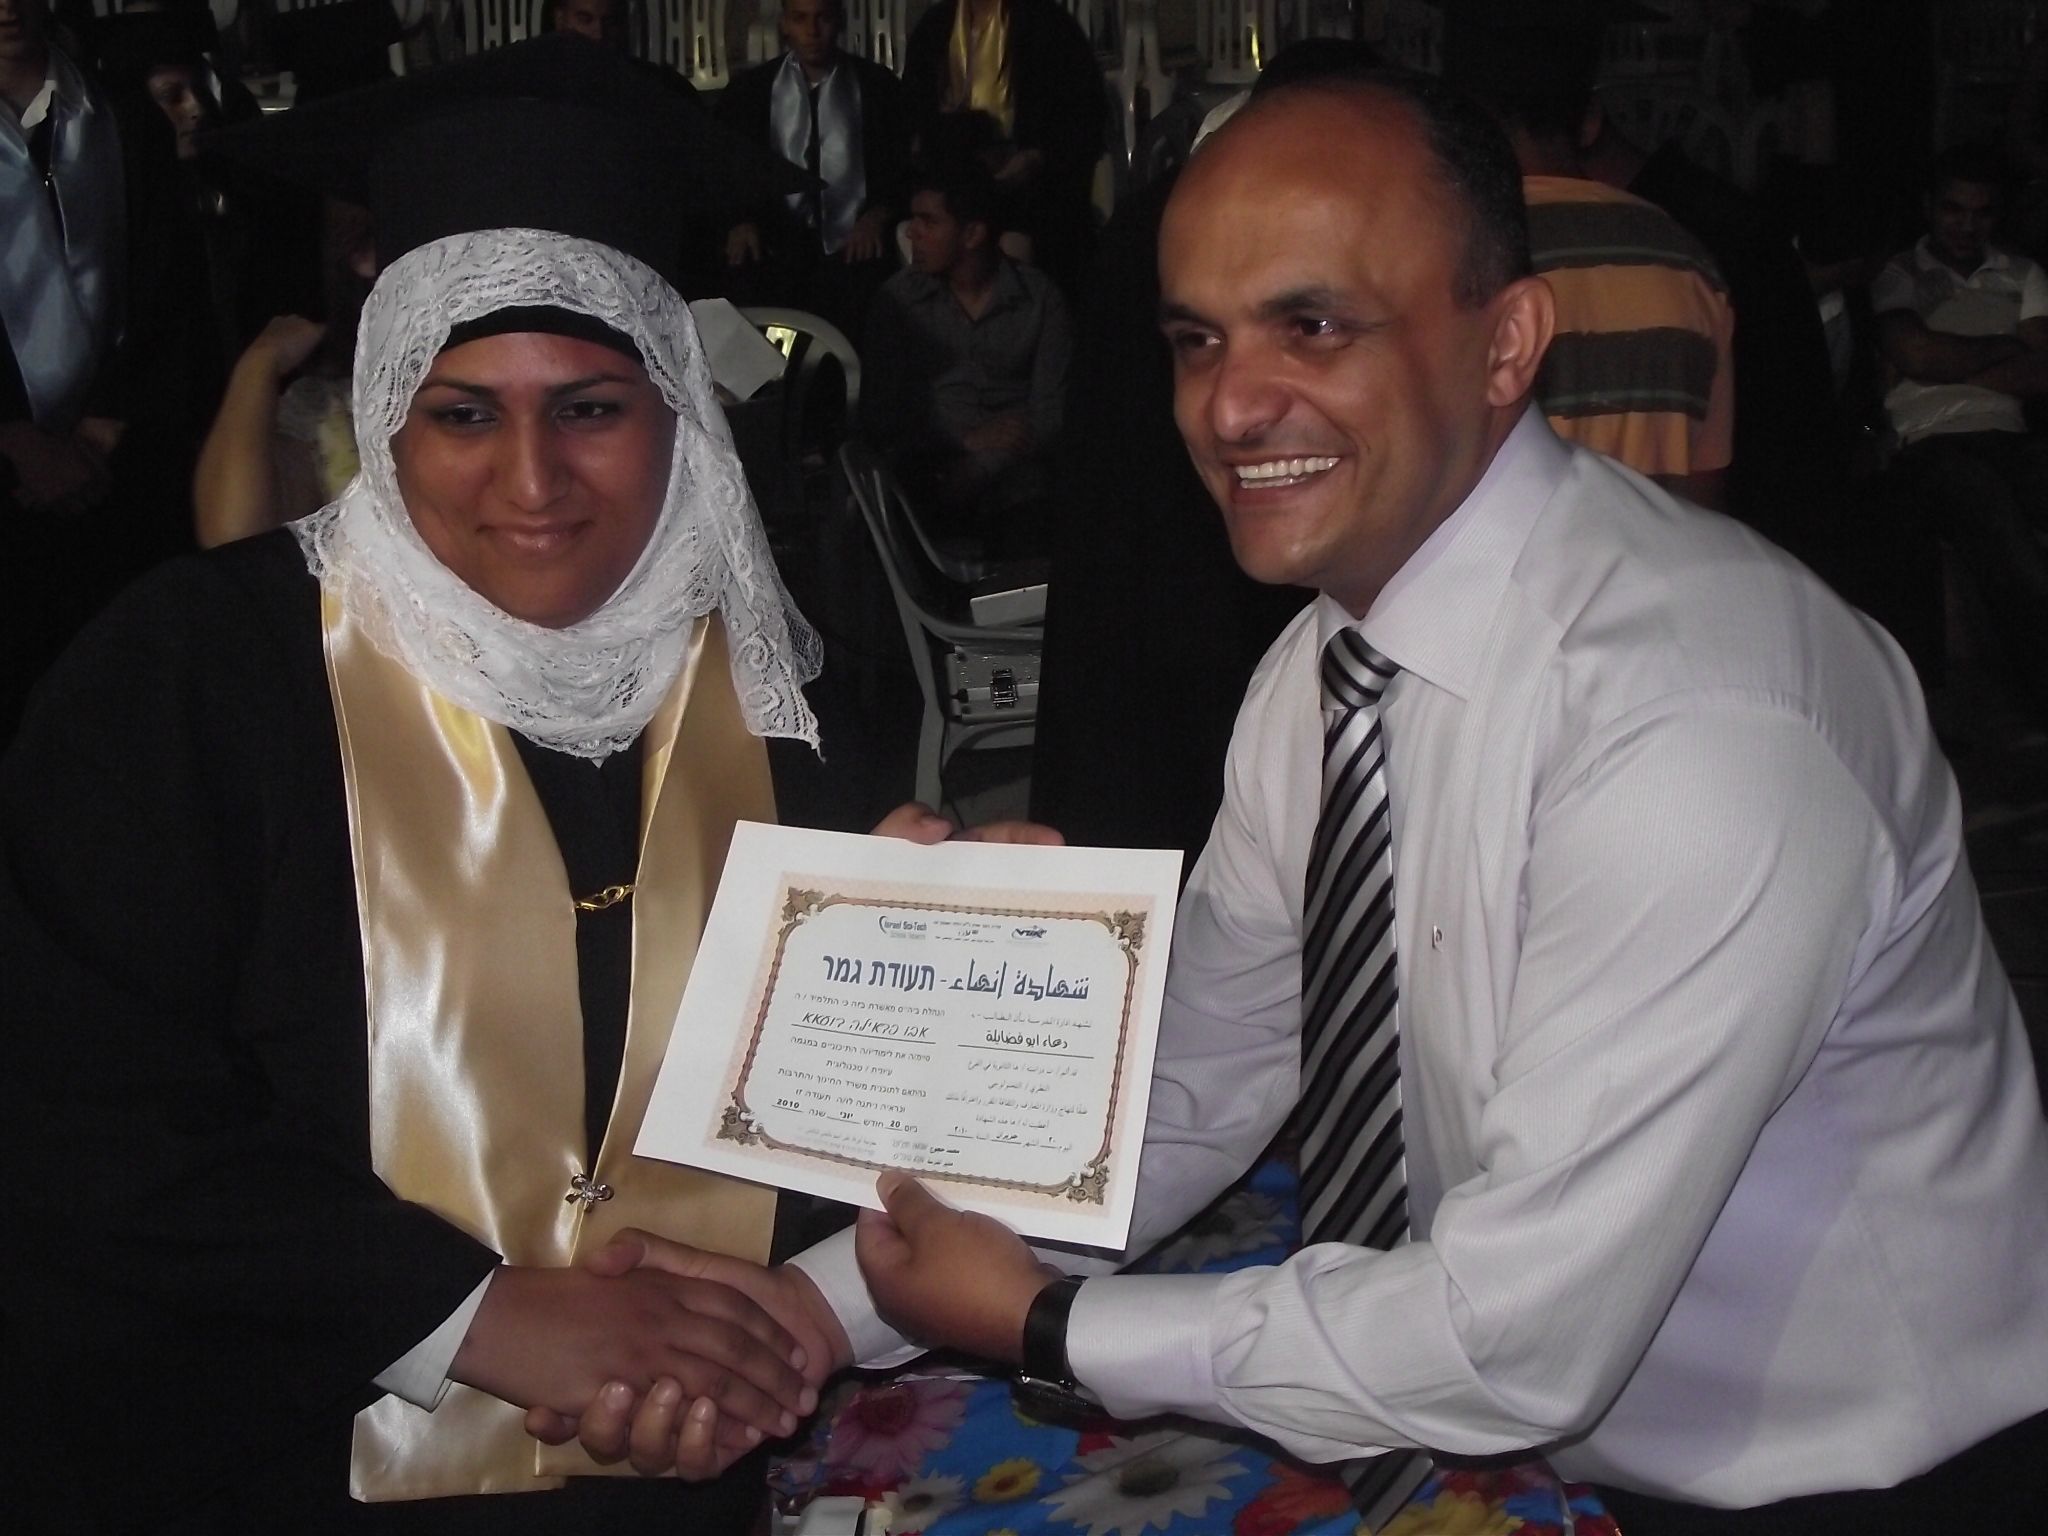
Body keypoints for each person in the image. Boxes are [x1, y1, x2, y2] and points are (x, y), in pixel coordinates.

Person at [564, 66, 2048, 1536]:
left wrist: (1052, 1328)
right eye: (1195, 338)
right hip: (1557, 1446)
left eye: (1314, 326)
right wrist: (816, 1307)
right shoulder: (1329, 668)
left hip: (1854, 1477)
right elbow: (1205, 1067)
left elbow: (1511, 1337)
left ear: (1506, 344)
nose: (1229, 403)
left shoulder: (1696, 730)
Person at [0, 34, 851, 1534]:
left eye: (591, 407)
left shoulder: (779, 699)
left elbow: (826, 1140)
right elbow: (78, 1111)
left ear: (680, 411)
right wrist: (475, 1316)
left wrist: (938, 954)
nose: (531, 482)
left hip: (701, 1466)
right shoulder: (192, 680)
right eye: (462, 412)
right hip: (286, 1471)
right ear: (384, 408)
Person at [1456, 22, 1736, 508]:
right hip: (1652, 556)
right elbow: (1704, 490)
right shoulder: (1688, 262)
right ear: (1589, 121)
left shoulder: (1461, 251)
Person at [1871, 141, 2048, 726]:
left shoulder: (2022, 273)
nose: (1967, 226)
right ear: (1929, 207)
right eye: (1954, 209)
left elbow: (2040, 371)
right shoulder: (1902, 272)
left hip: (2010, 436)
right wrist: (2005, 346)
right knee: (1992, 514)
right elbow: (1912, 352)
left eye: (1981, 212)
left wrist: (1945, 359)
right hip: (1931, 442)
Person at [860, 156, 1071, 556]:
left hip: (1017, 467)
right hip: (928, 467)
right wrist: (962, 440)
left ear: (972, 233)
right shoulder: (898, 302)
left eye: (928, 221)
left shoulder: (1038, 299)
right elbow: (883, 413)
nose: (912, 233)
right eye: (913, 220)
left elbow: (1053, 411)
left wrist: (982, 463)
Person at [714, 0, 907, 336]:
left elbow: (901, 168)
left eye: (823, 19)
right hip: (777, 244)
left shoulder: (877, 87)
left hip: (855, 244)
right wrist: (740, 220)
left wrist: (878, 214)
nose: (812, 31)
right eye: (800, 19)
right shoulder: (751, 92)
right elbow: (728, 169)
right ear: (784, 24)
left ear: (839, 21)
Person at [898, 0, 1103, 297]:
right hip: (950, 186)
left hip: (1028, 189)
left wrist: (1036, 157)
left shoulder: (1048, 26)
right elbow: (911, 116)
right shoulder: (936, 27)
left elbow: (1083, 120)